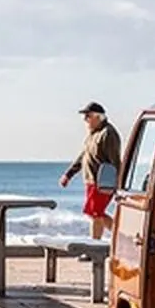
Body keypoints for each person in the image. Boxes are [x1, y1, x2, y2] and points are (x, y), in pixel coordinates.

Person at [59, 101, 122, 243]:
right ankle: (122, 236)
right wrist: (68, 174)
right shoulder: (93, 134)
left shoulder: (108, 134)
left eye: (87, 116)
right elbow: (83, 156)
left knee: (95, 214)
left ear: (97, 116)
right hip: (91, 181)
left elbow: (115, 161)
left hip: (102, 182)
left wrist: (118, 184)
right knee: (93, 213)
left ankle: (95, 246)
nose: (85, 120)